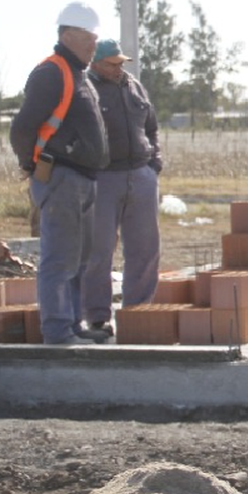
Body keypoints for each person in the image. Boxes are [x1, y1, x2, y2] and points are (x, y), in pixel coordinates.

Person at [9, 3, 111, 346]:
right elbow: (22, 128)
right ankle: (57, 331)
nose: (93, 45)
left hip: (83, 179)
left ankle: (73, 324)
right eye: (87, 38)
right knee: (60, 259)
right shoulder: (51, 73)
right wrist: (31, 165)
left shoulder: (79, 74)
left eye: (95, 38)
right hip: (61, 178)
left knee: (80, 260)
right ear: (67, 36)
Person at [81, 38, 163, 334]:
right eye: (112, 63)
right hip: (103, 178)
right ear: (95, 63)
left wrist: (154, 165)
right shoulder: (85, 89)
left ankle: (137, 313)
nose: (118, 68)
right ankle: (98, 317)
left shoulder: (134, 87)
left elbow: (151, 128)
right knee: (99, 250)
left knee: (145, 249)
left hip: (140, 174)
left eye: (121, 63)